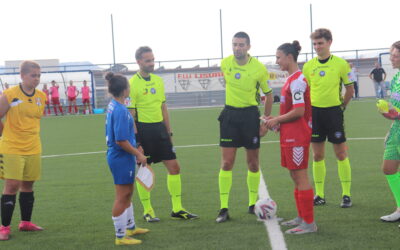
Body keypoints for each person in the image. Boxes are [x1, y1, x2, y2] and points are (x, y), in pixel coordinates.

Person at [128, 46, 198, 222]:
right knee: (145, 170)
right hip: (143, 130)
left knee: (174, 167)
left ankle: (177, 208)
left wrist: (169, 132)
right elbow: (131, 115)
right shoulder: (132, 84)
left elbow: (163, 107)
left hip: (160, 130)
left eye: (152, 59)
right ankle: (148, 211)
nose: (152, 63)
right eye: (147, 60)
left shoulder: (158, 81)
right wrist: (137, 142)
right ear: (138, 62)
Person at [216, 31, 273, 223]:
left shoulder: (258, 68)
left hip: (250, 116)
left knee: (253, 164)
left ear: (248, 46)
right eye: (234, 44)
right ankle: (223, 208)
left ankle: (251, 204)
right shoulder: (225, 63)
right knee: (226, 163)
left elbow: (269, 95)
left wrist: (264, 121)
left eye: (241, 44)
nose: (237, 48)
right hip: (230, 116)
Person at [262, 41, 316, 234]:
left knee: (300, 176)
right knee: (294, 175)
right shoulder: (290, 79)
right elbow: (290, 111)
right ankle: (301, 217)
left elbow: (299, 111)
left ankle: (309, 223)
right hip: (289, 135)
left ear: (289, 57)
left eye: (278, 57)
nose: (277, 61)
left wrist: (276, 119)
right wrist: (276, 121)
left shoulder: (298, 80)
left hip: (298, 137)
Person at [302, 28, 355, 207]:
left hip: (334, 113)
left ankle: (346, 195)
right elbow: (306, 91)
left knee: (341, 153)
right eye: (315, 44)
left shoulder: (341, 64)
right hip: (315, 114)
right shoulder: (308, 66)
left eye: (320, 43)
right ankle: (320, 195)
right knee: (317, 156)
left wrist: (342, 107)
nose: (317, 47)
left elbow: (350, 89)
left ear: (329, 42)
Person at [0, 61, 47, 240]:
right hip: (12, 147)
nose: (36, 78)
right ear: (22, 75)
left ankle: (25, 222)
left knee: (28, 184)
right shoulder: (10, 94)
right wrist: (4, 135)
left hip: (33, 146)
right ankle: (4, 228)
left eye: (38, 75)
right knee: (12, 185)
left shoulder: (41, 96)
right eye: (33, 75)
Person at [105, 72, 149, 245]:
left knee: (128, 192)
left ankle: (130, 227)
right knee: (122, 195)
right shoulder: (121, 110)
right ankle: (120, 236)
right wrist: (138, 154)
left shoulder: (114, 105)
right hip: (121, 156)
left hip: (121, 156)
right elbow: (121, 140)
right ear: (125, 90)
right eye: (128, 86)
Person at [377, 41, 400, 227]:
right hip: (397, 129)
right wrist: (390, 115)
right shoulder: (396, 78)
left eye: (395, 55)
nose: (391, 58)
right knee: (388, 168)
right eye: (391, 54)